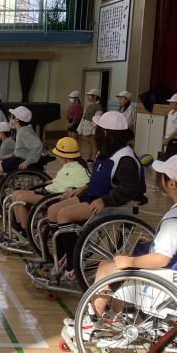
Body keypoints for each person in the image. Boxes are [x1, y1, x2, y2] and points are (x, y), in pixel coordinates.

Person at [67, 154, 177, 340]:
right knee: (120, 265)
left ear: (172, 184)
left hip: (168, 279)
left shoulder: (175, 219)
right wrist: (153, 242)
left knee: (107, 267)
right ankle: (118, 317)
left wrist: (129, 261)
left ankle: (92, 321)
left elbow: (161, 258)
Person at [47, 111, 144, 281]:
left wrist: (105, 200)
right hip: (93, 195)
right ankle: (64, 256)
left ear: (105, 132)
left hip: (111, 203)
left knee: (63, 215)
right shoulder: (107, 151)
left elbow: (129, 189)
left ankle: (73, 263)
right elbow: (100, 178)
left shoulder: (125, 158)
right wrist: (83, 187)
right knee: (53, 210)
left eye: (97, 128)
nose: (95, 131)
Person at [10, 137, 90, 236]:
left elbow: (84, 186)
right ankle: (20, 226)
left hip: (54, 198)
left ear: (63, 156)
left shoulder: (79, 170)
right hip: (48, 192)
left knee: (20, 198)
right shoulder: (68, 166)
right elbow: (64, 180)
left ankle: (26, 232)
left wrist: (70, 193)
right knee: (15, 194)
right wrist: (53, 181)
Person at [0, 106, 43, 193]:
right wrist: (10, 155)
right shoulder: (22, 130)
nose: (10, 119)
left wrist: (27, 161)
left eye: (11, 117)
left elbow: (38, 146)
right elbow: (20, 150)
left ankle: (0, 196)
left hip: (20, 160)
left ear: (16, 120)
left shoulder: (25, 133)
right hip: (17, 158)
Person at [78, 89, 104, 163]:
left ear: (95, 96)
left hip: (92, 128)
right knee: (89, 143)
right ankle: (89, 157)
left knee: (94, 144)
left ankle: (93, 158)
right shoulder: (89, 106)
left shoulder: (98, 107)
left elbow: (97, 120)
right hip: (87, 127)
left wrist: (94, 131)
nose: (88, 97)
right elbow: (84, 117)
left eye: (90, 95)